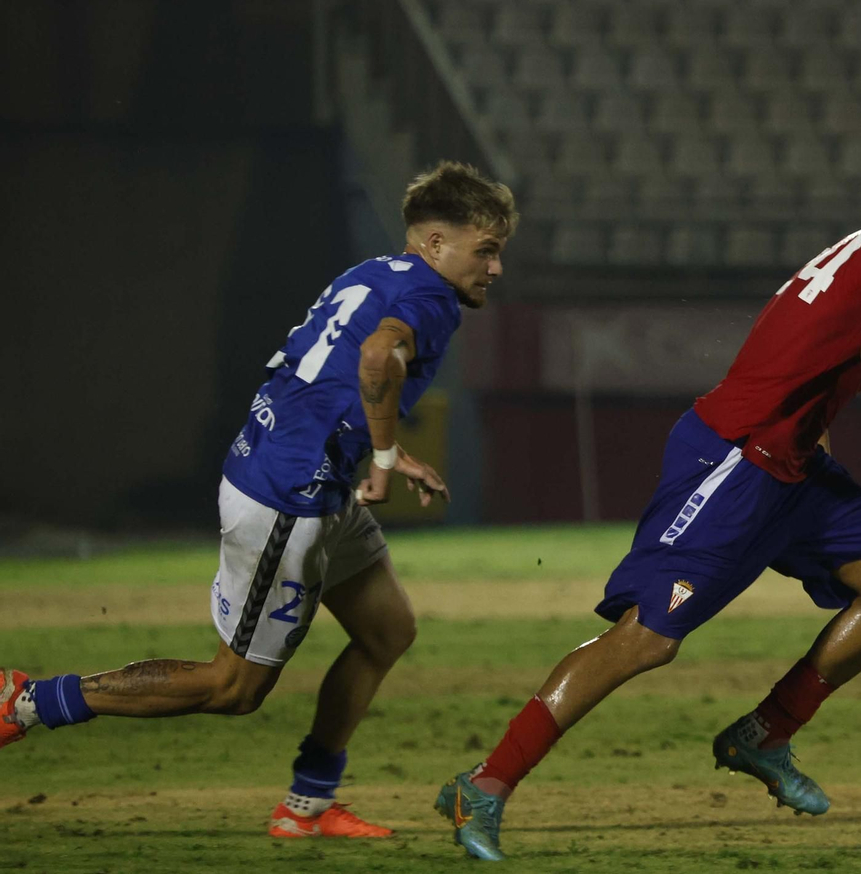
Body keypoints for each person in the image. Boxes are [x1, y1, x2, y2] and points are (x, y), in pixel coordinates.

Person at [435, 120, 861, 861]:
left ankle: (764, 734)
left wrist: (812, 428)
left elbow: (813, 342)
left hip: (793, 463)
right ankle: (482, 785)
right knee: (646, 640)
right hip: (739, 460)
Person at [0, 160, 517, 841]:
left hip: (307, 470)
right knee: (232, 689)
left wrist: (381, 444)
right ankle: (30, 702)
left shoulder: (374, 273)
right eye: (485, 250)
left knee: (388, 631)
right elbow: (373, 360)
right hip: (287, 497)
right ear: (434, 244)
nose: (496, 268)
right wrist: (387, 457)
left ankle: (306, 806)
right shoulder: (431, 300)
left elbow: (323, 379)